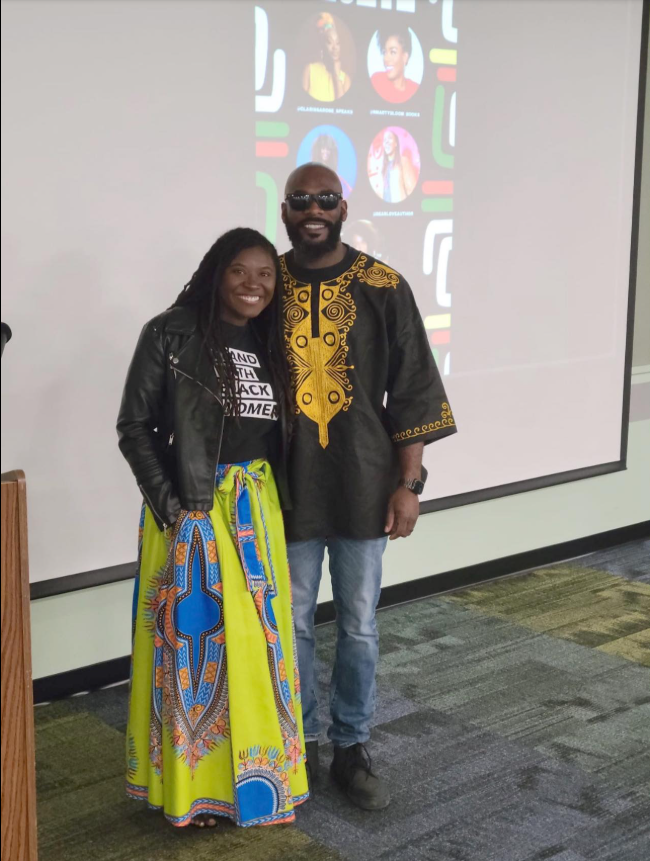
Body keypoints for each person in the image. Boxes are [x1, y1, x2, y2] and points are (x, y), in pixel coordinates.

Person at [117, 228, 309, 828]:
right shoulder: (169, 332)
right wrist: (176, 510)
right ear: (216, 273)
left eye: (266, 275)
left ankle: (254, 785)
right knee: (195, 658)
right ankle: (194, 793)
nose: (254, 285)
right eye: (240, 272)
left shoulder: (270, 339)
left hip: (256, 512)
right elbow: (135, 426)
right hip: (194, 508)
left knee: (258, 656)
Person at [279, 164, 456, 810]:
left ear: (344, 206)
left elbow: (412, 389)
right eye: (301, 201)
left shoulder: (383, 285)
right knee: (291, 621)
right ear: (286, 210)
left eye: (325, 199)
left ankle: (351, 745)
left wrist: (409, 483)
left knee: (357, 624)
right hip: (287, 491)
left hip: (363, 483)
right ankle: (297, 746)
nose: (314, 210)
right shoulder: (265, 284)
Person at [303, 12, 351, 102]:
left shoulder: (346, 79)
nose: (335, 48)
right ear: (322, 44)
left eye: (337, 43)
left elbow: (343, 107)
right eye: (329, 42)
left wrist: (336, 76)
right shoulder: (310, 70)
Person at [371, 29, 420, 104]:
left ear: (405, 57)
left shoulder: (415, 89)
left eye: (393, 52)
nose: (386, 58)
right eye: (384, 52)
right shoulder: (377, 81)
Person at [370, 129, 418, 204]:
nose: (386, 142)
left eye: (390, 138)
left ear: (396, 143)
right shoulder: (382, 166)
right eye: (384, 140)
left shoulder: (404, 161)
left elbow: (411, 189)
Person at [310, 133, 353, 198]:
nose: (326, 152)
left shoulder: (339, 181)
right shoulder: (310, 177)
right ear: (318, 150)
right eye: (323, 149)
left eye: (328, 149)